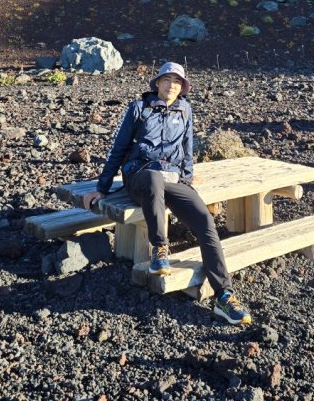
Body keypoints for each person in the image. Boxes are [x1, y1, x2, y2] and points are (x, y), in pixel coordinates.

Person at [82, 62, 251, 325]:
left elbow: (187, 147)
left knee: (205, 222)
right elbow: (118, 149)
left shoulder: (185, 109)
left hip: (172, 178)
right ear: (157, 83)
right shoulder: (138, 109)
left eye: (177, 81)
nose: (171, 85)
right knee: (152, 178)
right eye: (167, 79)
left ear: (182, 87)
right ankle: (160, 249)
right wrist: (101, 188)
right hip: (141, 176)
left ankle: (223, 294)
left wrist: (186, 177)